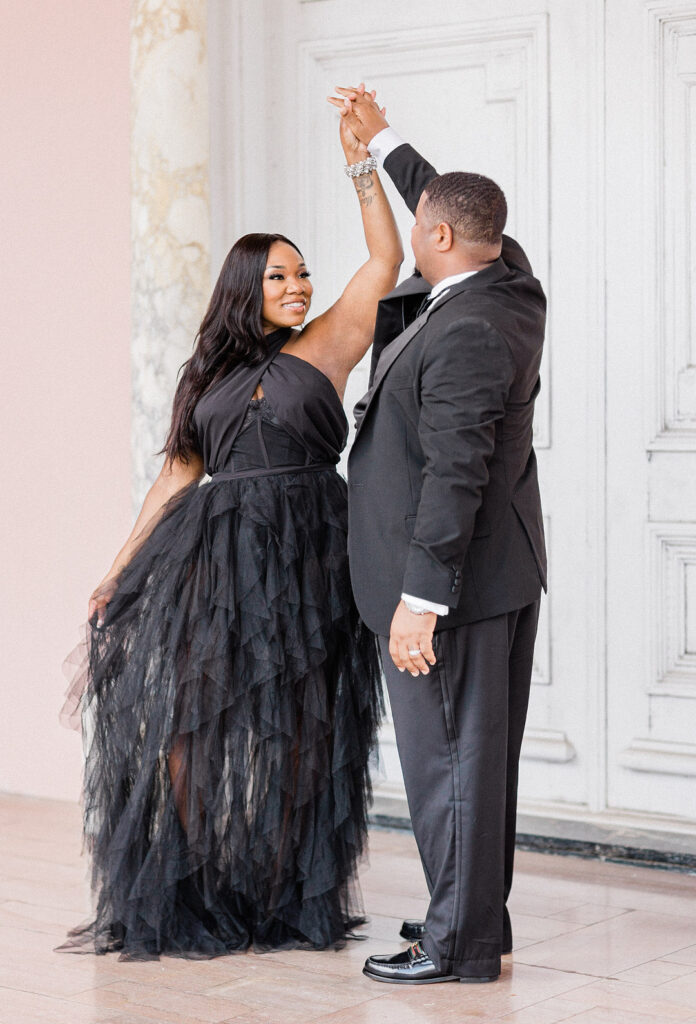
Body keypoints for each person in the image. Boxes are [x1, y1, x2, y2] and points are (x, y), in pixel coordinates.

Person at [57, 112, 402, 960]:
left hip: (307, 552)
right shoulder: (206, 374)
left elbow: (385, 261)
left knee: (297, 729)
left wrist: (361, 162)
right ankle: (197, 883)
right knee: (189, 724)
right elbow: (176, 476)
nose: (298, 286)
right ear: (245, 285)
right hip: (212, 562)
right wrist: (116, 568)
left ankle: (281, 892)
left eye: (303, 274)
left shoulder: (327, 345)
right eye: (280, 276)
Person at [328, 87, 547, 984]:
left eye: (421, 225)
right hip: (502, 577)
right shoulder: (511, 276)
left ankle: (456, 949)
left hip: (451, 589)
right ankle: (472, 924)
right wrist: (383, 141)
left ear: (440, 241)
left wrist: (420, 602)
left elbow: (453, 477)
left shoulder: (467, 333)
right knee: (476, 765)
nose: (414, 231)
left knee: (448, 768)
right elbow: (449, 202)